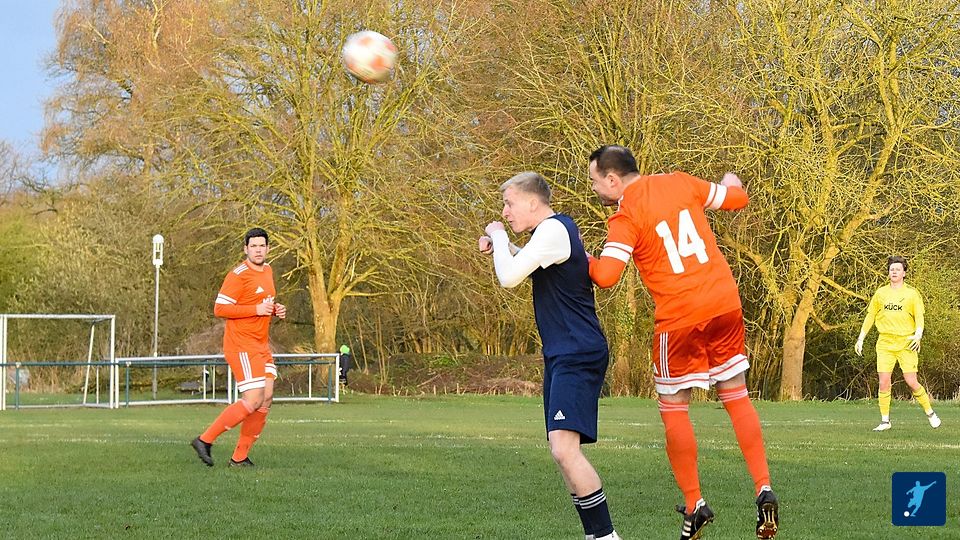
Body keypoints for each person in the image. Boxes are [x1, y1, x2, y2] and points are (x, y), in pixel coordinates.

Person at [585, 145, 778, 540]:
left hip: (680, 316)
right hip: (724, 303)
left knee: (674, 408)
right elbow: (736, 198)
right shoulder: (679, 182)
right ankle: (763, 487)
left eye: (594, 181)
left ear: (612, 179)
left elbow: (605, 276)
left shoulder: (625, 215)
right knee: (736, 396)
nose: (593, 189)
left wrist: (580, 255)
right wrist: (732, 183)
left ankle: (694, 504)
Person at [478, 171, 620, 540]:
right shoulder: (549, 234)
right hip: (562, 353)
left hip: (578, 351)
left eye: (509, 204)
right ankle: (598, 535)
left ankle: (605, 536)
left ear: (532, 202)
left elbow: (509, 278)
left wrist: (498, 235)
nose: (505, 212)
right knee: (561, 450)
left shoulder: (555, 230)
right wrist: (505, 248)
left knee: (563, 449)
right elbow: (523, 263)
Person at [191, 227, 286, 467]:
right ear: (246, 249)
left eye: (262, 246)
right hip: (241, 345)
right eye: (253, 246)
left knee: (266, 398)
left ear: (268, 248)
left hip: (261, 344)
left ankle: (239, 458)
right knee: (253, 399)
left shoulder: (268, 271)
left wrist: (274, 309)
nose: (258, 250)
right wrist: (256, 309)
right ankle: (204, 440)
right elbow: (220, 309)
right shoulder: (238, 275)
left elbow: (261, 302)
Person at [855, 255, 940, 432]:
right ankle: (885, 421)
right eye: (891, 269)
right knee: (884, 382)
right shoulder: (880, 293)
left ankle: (930, 413)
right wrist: (861, 338)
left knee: (911, 381)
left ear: (904, 273)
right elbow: (870, 316)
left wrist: (918, 335)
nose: (894, 272)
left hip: (906, 343)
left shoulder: (912, 294)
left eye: (897, 269)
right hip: (885, 343)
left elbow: (919, 317)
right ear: (888, 273)